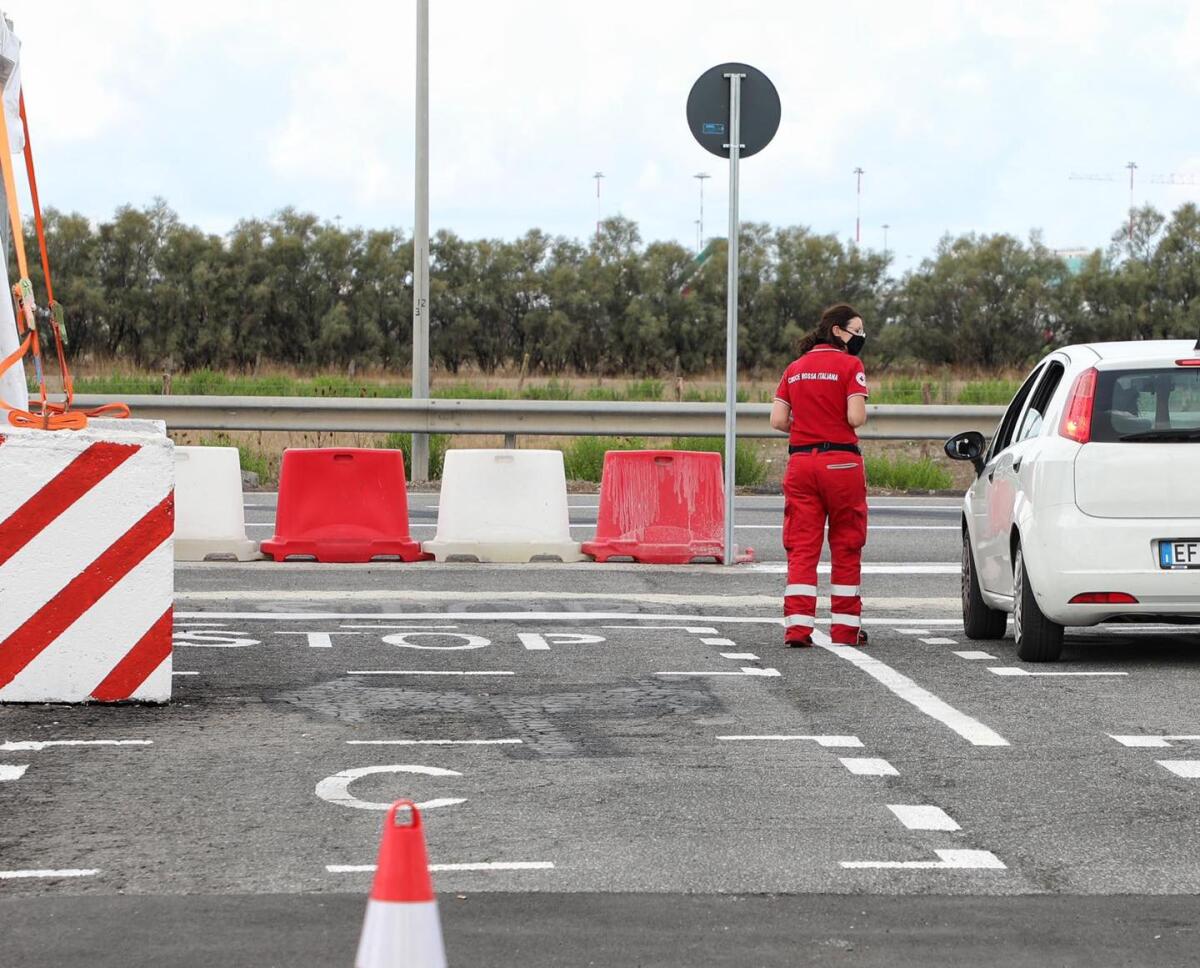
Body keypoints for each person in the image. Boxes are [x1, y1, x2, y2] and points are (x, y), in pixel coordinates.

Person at [770, 303, 870, 647]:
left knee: (801, 546)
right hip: (841, 464)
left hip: (801, 464)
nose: (860, 337)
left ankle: (797, 628)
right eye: (856, 330)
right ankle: (844, 629)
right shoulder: (850, 365)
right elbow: (856, 417)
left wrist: (809, 426)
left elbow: (778, 421)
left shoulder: (794, 368)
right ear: (838, 331)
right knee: (846, 544)